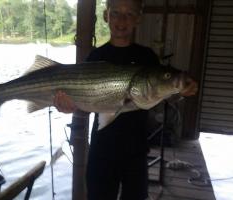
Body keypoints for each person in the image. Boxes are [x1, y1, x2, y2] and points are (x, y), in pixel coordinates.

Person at [54, 0, 198, 199]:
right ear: (106, 16)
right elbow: (86, 109)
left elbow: (164, 97)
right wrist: (71, 106)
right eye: (115, 13)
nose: (121, 20)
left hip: (136, 152)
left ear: (138, 18)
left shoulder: (147, 57)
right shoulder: (96, 56)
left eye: (129, 14)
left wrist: (181, 91)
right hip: (101, 152)